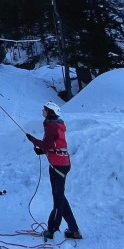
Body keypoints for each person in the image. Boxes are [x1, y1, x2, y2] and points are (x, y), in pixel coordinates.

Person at [26, 100, 82, 241]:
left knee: (58, 199)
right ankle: (73, 229)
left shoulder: (51, 125)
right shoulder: (55, 124)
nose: (42, 111)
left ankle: (52, 230)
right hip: (61, 163)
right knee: (60, 197)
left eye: (44, 109)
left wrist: (32, 140)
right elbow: (52, 145)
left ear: (50, 112)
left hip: (58, 165)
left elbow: (46, 144)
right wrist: (43, 151)